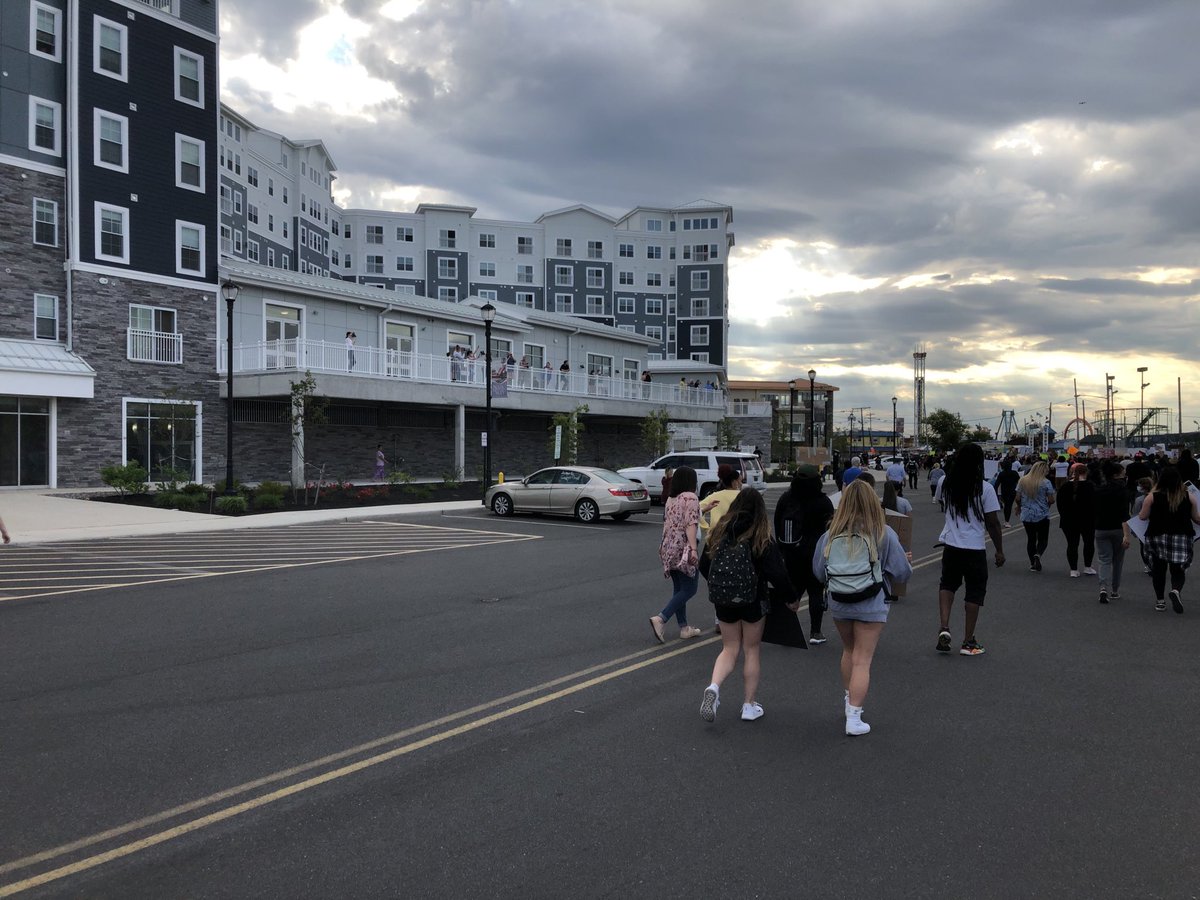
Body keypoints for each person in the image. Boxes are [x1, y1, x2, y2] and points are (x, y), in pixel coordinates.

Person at [812, 480, 913, 735]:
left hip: (839, 602)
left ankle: (849, 702)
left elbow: (818, 572)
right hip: (871, 603)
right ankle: (854, 717)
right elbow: (902, 573)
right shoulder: (884, 533)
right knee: (862, 660)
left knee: (848, 650)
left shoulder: (829, 534)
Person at [698, 488, 799, 723]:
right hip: (753, 599)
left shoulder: (719, 532)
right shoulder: (760, 535)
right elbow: (778, 573)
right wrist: (791, 598)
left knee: (729, 649)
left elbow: (705, 565)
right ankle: (749, 705)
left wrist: (722, 585)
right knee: (751, 650)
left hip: (724, 599)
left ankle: (714, 686)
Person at [934, 442, 1005, 656]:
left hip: (951, 546)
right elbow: (992, 522)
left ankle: (944, 627)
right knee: (973, 593)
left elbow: (941, 503)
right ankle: (968, 641)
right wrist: (999, 550)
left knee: (947, 584)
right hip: (974, 548)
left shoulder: (944, 482)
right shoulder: (985, 488)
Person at [774, 464, 834, 644]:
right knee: (815, 591)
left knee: (792, 592)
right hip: (816, 553)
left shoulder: (786, 499)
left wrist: (783, 549)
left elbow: (777, 524)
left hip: (792, 553)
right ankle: (815, 632)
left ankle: (785, 630)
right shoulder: (823, 502)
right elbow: (831, 529)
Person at [650, 466, 703, 642]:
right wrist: (694, 549)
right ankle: (661, 618)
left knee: (679, 588)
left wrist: (706, 508)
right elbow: (690, 524)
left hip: (669, 548)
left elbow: (675, 521)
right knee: (690, 588)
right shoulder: (691, 497)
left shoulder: (671, 499)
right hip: (684, 548)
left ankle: (684, 627)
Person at [1138, 467, 1200, 613]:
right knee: (1178, 569)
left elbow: (1142, 516)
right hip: (1182, 536)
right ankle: (1176, 590)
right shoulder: (1188, 496)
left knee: (1159, 570)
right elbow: (1196, 518)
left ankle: (1160, 602)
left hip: (1157, 535)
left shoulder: (1152, 497)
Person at [1093, 460, 1131, 604]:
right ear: (1116, 475)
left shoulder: (1098, 490)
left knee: (1104, 559)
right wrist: (1127, 535)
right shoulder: (1123, 491)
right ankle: (1115, 590)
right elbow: (1125, 514)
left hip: (1101, 528)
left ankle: (1103, 587)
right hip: (1118, 528)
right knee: (1118, 561)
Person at [1057, 462, 1096, 577]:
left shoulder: (1065, 486)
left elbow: (1060, 505)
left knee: (1072, 544)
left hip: (1069, 521)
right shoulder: (1090, 486)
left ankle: (1073, 569)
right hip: (1087, 520)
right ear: (1086, 473)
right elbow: (1095, 504)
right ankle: (1088, 567)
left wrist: (1065, 515)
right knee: (1088, 543)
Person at [1015, 461, 1055, 572]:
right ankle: (1038, 554)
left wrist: (1019, 506)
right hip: (1042, 514)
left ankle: (1033, 563)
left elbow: (1017, 498)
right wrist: (1047, 505)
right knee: (1043, 539)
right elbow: (1051, 499)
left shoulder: (1022, 480)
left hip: (1027, 514)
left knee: (1031, 539)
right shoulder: (1046, 482)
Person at [700, 464, 742, 548]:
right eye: (740, 481)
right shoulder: (743, 496)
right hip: (738, 538)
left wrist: (707, 528)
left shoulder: (715, 496)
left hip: (716, 537)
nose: (741, 483)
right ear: (734, 482)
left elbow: (695, 510)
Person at [995, 459, 1020, 527]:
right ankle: (1007, 521)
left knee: (1006, 506)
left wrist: (995, 493)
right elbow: (1019, 482)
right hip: (1012, 492)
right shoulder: (1014, 473)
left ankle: (1006, 521)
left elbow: (997, 484)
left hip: (1004, 492)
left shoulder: (1001, 474)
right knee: (1009, 506)